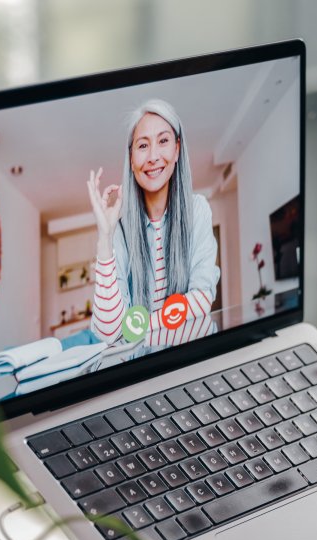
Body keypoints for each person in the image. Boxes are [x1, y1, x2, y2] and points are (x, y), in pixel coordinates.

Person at [86, 98, 219, 354]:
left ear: (178, 149)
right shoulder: (119, 230)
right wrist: (105, 236)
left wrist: (135, 328)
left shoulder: (198, 210)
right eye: (143, 145)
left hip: (193, 358)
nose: (153, 156)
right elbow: (108, 332)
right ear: (131, 158)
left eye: (163, 141)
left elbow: (202, 298)